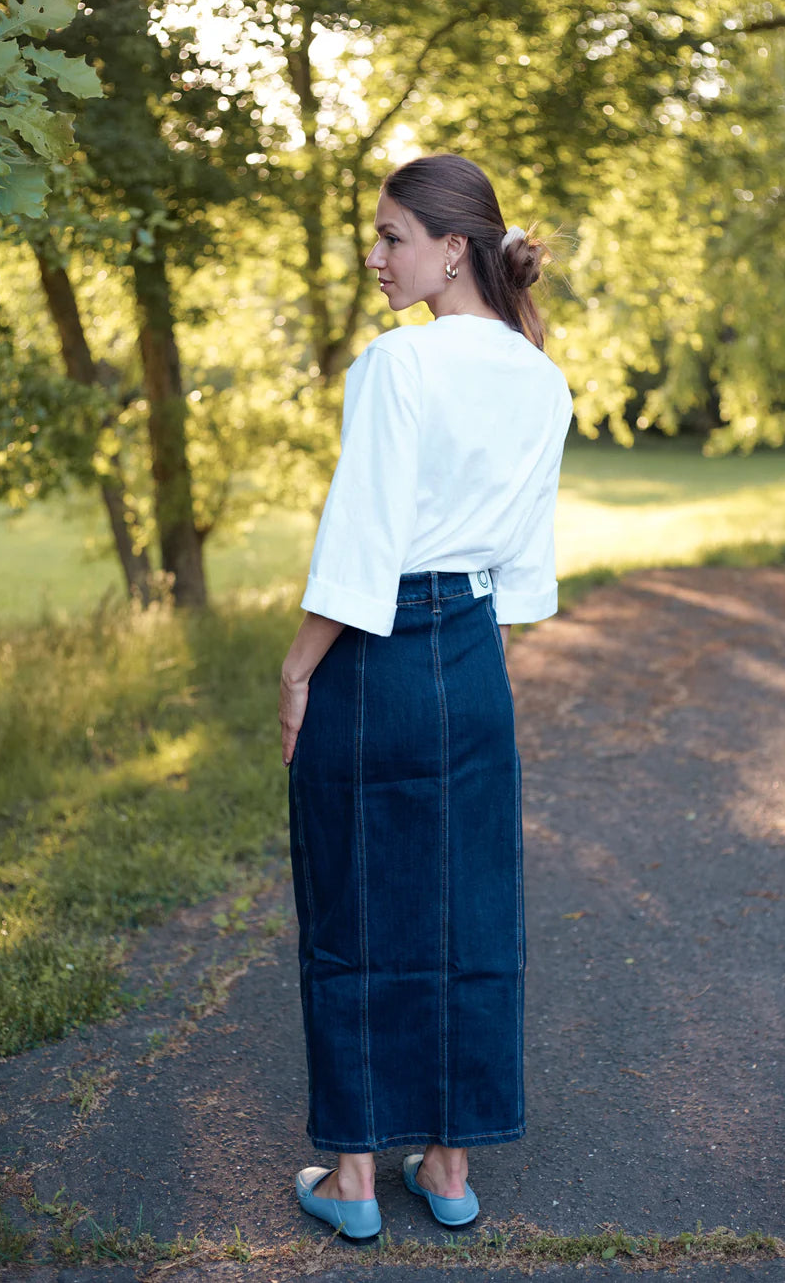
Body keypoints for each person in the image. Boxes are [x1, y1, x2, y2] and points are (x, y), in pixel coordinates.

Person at [279, 153, 572, 1240]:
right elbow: (521, 572)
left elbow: (360, 546)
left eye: (391, 235)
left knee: (356, 906)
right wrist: (469, 660)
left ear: (452, 249)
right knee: (466, 908)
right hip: (472, 655)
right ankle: (446, 1168)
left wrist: (298, 666)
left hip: (375, 651)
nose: (375, 255)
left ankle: (355, 1181)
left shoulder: (397, 368)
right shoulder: (544, 380)